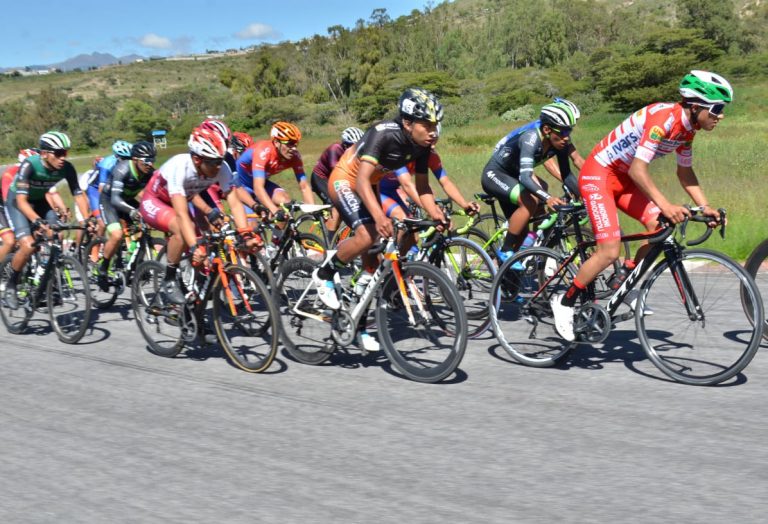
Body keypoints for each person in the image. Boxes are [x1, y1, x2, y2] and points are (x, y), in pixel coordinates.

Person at [550, 70, 730, 341]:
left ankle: (623, 276)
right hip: (599, 174)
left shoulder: (688, 130)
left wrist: (705, 206)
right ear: (696, 106)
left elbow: (685, 173)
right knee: (609, 250)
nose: (721, 116)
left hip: (622, 178)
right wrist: (666, 204)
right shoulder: (664, 120)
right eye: (717, 109)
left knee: (659, 225)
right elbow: (638, 169)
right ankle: (563, 302)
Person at [314, 87, 449, 316]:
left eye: (435, 126)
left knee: (377, 253)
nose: (433, 132)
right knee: (368, 234)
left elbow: (423, 187)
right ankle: (324, 273)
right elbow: (361, 180)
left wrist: (435, 212)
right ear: (408, 123)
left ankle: (359, 317)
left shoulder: (422, 146)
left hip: (371, 185)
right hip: (346, 180)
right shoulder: (384, 133)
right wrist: (378, 217)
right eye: (427, 125)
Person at [139, 127, 256, 305]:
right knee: (183, 230)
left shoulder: (220, 167)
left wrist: (245, 234)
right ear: (196, 159)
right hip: (156, 201)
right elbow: (181, 213)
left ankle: (198, 291)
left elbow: (234, 202)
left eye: (220, 161)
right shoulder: (180, 167)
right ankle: (170, 278)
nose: (218, 167)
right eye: (212, 163)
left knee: (214, 234)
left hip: (188, 197)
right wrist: (194, 246)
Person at [480, 100, 581, 262]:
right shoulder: (531, 138)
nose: (566, 138)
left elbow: (567, 176)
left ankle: (507, 275)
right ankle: (505, 251)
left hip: (512, 177)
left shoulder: (559, 144)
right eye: (562, 132)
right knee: (531, 200)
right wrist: (547, 198)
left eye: (569, 132)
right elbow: (526, 177)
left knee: (523, 234)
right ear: (547, 130)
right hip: (495, 175)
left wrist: (584, 194)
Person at [2, 132, 91, 309]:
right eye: (58, 153)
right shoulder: (30, 165)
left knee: (55, 235)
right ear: (44, 154)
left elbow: (78, 194)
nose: (63, 158)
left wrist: (87, 218)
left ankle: (50, 282)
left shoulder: (67, 167)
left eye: (65, 152)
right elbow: (21, 201)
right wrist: (36, 220)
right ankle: (11, 285)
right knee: (27, 245)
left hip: (40, 202)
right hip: (18, 202)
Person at [96, 141, 157, 290]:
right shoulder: (122, 170)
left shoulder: (150, 172)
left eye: (152, 160)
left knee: (145, 226)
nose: (150, 164)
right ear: (135, 159)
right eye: (146, 160)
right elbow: (116, 199)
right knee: (117, 235)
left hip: (128, 200)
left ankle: (133, 262)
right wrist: (132, 211)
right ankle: (102, 267)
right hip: (110, 201)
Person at [234, 121, 313, 219]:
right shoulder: (263, 152)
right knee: (252, 228)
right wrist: (274, 210)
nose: (293, 148)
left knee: (286, 204)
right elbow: (258, 188)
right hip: (241, 187)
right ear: (276, 142)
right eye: (289, 144)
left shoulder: (295, 156)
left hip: (260, 184)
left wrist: (312, 209)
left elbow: (304, 186)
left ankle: (279, 234)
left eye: (295, 144)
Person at [311, 126, 364, 239]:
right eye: (351, 146)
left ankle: (338, 236)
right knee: (336, 206)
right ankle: (329, 243)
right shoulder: (335, 149)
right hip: (321, 178)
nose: (355, 149)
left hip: (337, 179)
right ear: (345, 144)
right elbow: (337, 171)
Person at [0, 149, 40, 263]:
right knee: (10, 241)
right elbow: (8, 201)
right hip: (4, 205)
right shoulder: (11, 173)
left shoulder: (34, 175)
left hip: (17, 204)